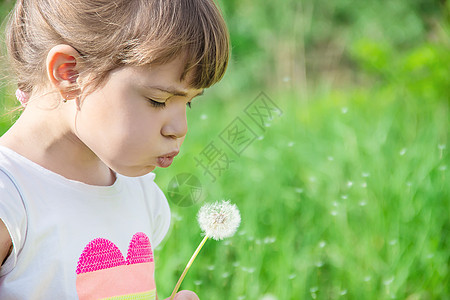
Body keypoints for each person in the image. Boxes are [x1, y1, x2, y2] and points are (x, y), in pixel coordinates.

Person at [0, 0, 229, 299]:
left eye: (188, 102)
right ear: (69, 73)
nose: (180, 128)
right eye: (158, 100)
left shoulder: (139, 192)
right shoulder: (11, 196)